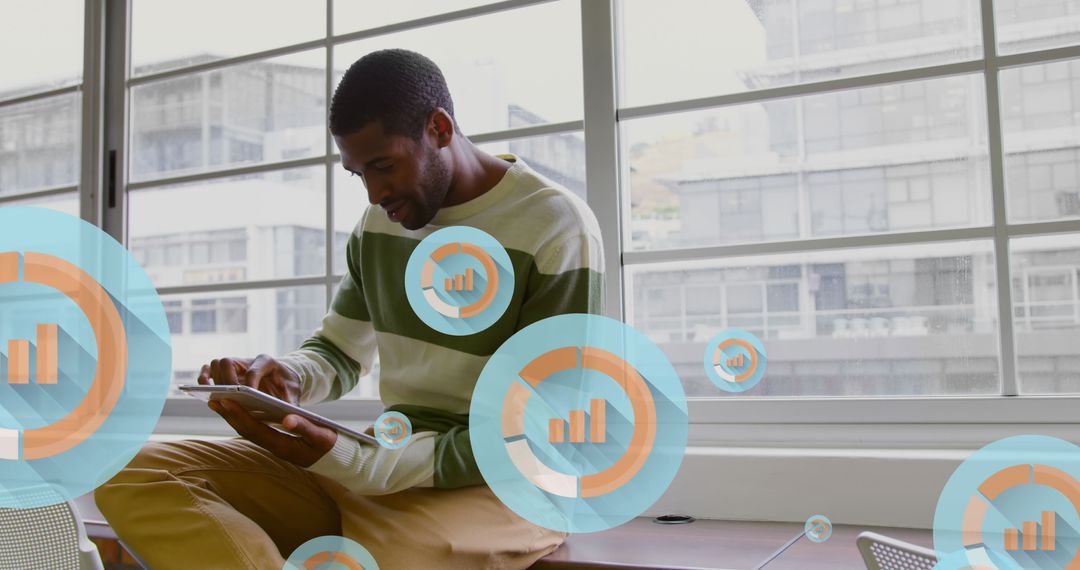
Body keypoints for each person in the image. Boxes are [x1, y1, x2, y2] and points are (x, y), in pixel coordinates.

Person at [95, 48, 604, 569]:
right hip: (384, 466)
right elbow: (339, 352)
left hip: (506, 486)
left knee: (381, 560)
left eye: (383, 165)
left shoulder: (555, 225)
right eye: (359, 173)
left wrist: (361, 463)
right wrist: (288, 379)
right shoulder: (381, 224)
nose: (375, 193)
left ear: (439, 128)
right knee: (134, 475)